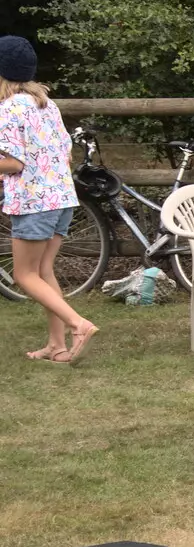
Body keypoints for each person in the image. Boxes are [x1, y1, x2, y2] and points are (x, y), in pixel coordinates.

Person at [0, 36, 98, 363]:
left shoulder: (8, 108)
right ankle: (56, 346)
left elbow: (13, 162)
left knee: (24, 275)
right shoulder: (46, 103)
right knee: (43, 271)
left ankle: (77, 324)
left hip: (33, 203)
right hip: (62, 199)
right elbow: (65, 152)